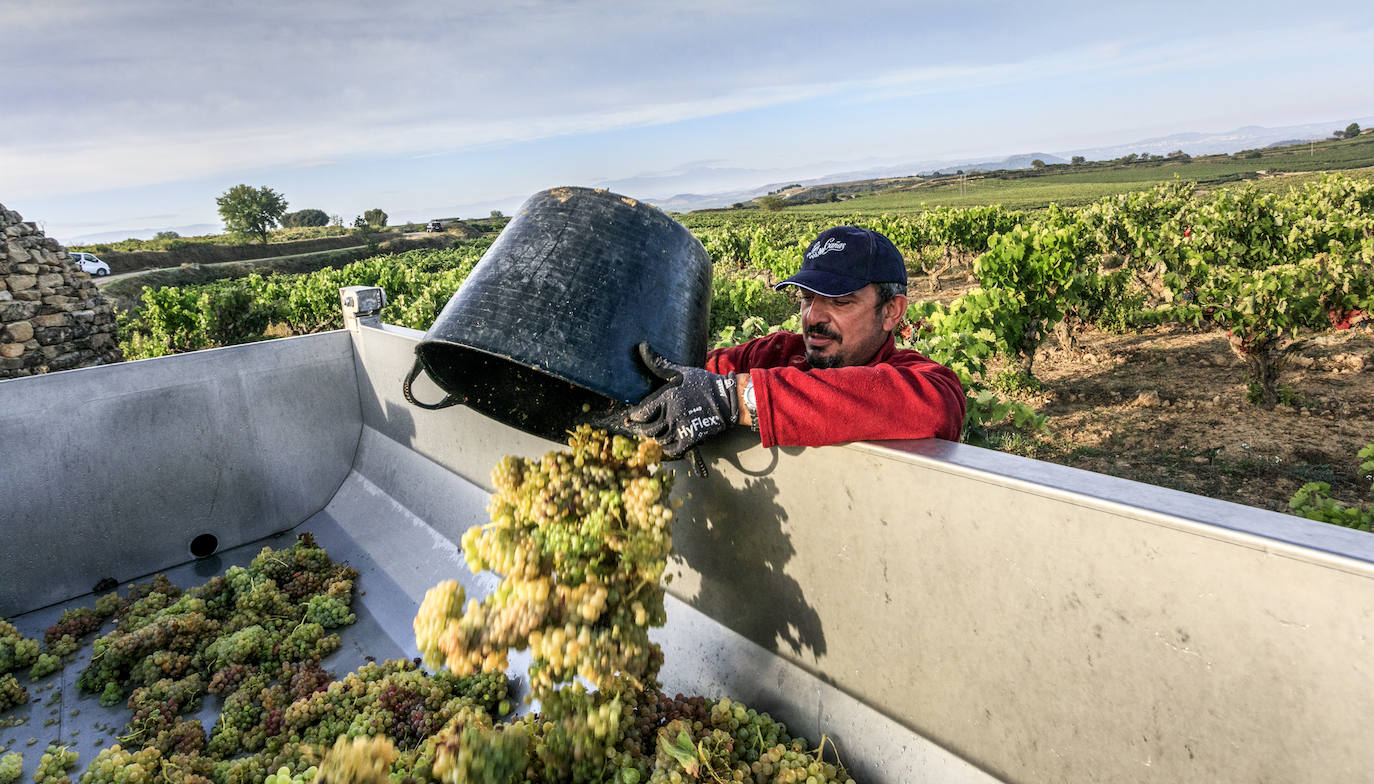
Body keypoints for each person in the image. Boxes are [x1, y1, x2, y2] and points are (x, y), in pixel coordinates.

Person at [622, 225, 966, 457]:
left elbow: (938, 407)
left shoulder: (924, 381)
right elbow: (689, 374)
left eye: (839, 301)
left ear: (892, 311)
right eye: (806, 298)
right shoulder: (778, 353)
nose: (813, 316)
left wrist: (737, 399)